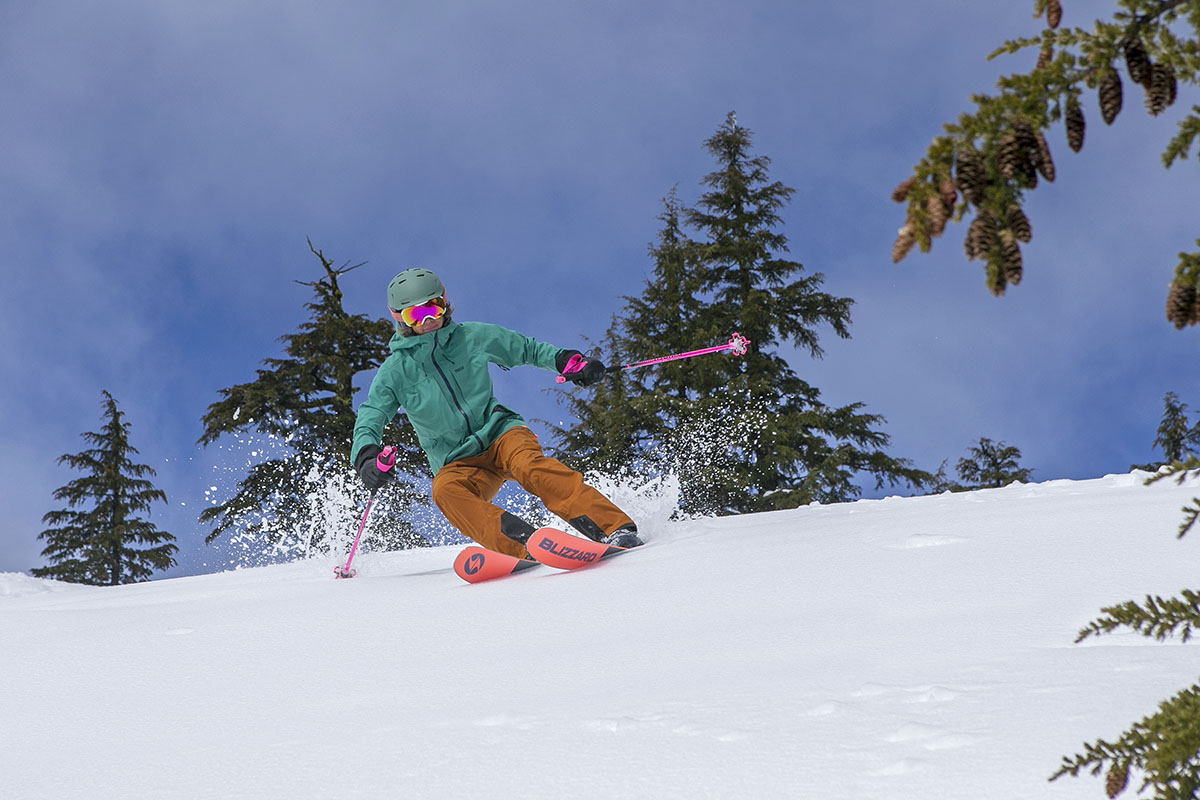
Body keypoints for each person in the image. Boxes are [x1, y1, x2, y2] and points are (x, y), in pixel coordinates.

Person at [350, 267, 642, 560]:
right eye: (416, 315)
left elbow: (525, 349)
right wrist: (365, 455)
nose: (429, 321)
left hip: (501, 433)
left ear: (444, 301)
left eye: (433, 308)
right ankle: (524, 546)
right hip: (456, 461)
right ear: (398, 316)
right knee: (445, 491)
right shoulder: (395, 372)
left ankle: (614, 528)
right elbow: (372, 413)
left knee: (532, 467)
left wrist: (568, 362)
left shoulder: (472, 337)